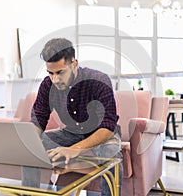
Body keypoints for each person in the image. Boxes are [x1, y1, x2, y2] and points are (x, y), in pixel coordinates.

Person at [22, 38, 123, 196]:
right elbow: (38, 119)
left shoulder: (98, 81)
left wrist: (74, 150)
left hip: (101, 133)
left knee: (110, 152)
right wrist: (32, 144)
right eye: (50, 73)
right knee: (31, 148)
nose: (55, 79)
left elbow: (108, 126)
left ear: (74, 64)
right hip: (71, 132)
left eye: (60, 72)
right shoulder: (47, 85)